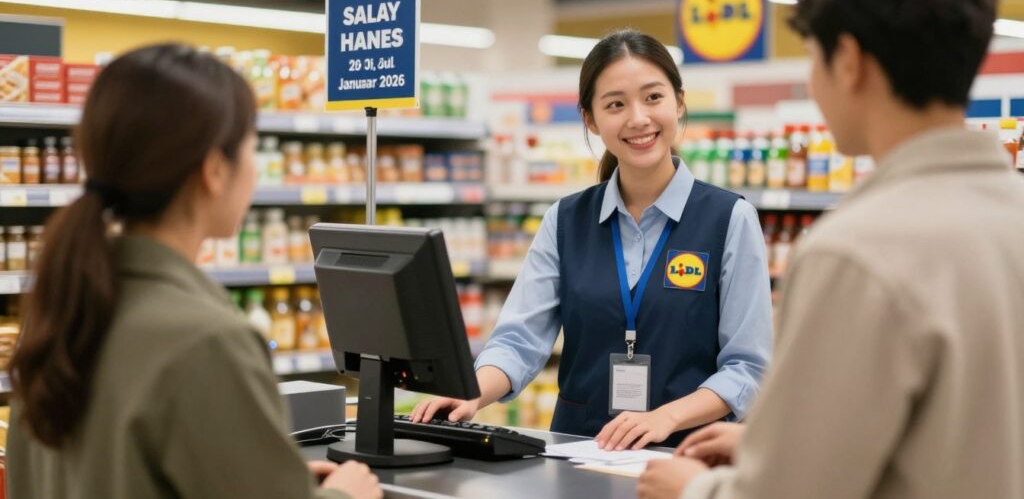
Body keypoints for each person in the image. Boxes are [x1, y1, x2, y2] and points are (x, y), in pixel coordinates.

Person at [638, 0, 1024, 499]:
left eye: (814, 56)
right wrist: (773, 444)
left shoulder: (858, 250)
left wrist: (695, 490)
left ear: (849, 60)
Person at [6, 44, 381, 499]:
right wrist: (346, 495)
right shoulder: (206, 340)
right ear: (213, 170)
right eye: (251, 147)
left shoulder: (59, 313)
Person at [413, 30, 772, 450]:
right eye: (616, 104)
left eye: (653, 97)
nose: (638, 118)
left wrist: (666, 417)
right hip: (578, 453)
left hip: (686, 458)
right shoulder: (565, 220)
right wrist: (470, 390)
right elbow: (519, 340)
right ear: (590, 119)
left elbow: (747, 367)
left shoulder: (729, 219)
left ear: (678, 101)